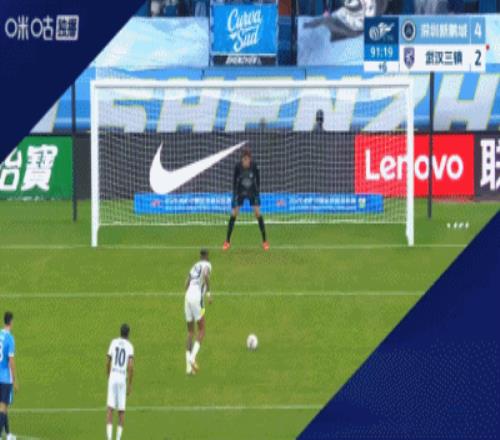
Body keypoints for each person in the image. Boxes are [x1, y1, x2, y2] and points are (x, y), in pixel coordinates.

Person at [223, 148, 269, 251]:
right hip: (240, 191)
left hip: (252, 191)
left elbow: (258, 178)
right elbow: (234, 181)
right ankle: (227, 241)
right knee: (234, 213)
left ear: (250, 159)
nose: (246, 161)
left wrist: (257, 191)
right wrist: (235, 194)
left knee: (257, 213)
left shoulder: (254, 166)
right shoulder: (237, 166)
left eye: (247, 159)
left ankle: (265, 241)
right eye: (244, 159)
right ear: (242, 159)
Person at [185, 249, 212, 375]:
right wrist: (209, 294)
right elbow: (206, 275)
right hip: (197, 297)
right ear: (206, 256)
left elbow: (186, 282)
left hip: (188, 296)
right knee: (202, 329)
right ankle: (192, 358)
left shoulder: (194, 266)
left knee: (190, 331)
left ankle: (188, 367)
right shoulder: (207, 265)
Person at [106, 324, 134, 440]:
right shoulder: (129, 346)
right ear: (128, 334)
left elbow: (108, 361)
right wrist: (130, 384)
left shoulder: (113, 342)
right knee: (121, 411)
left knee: (110, 409)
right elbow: (130, 366)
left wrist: (108, 375)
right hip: (122, 378)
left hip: (113, 377)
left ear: (120, 332)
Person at [0, 311, 17, 440]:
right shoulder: (10, 339)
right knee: (3, 407)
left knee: (4, 407)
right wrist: (15, 380)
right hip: (6, 378)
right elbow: (11, 361)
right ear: (10, 321)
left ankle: (8, 434)